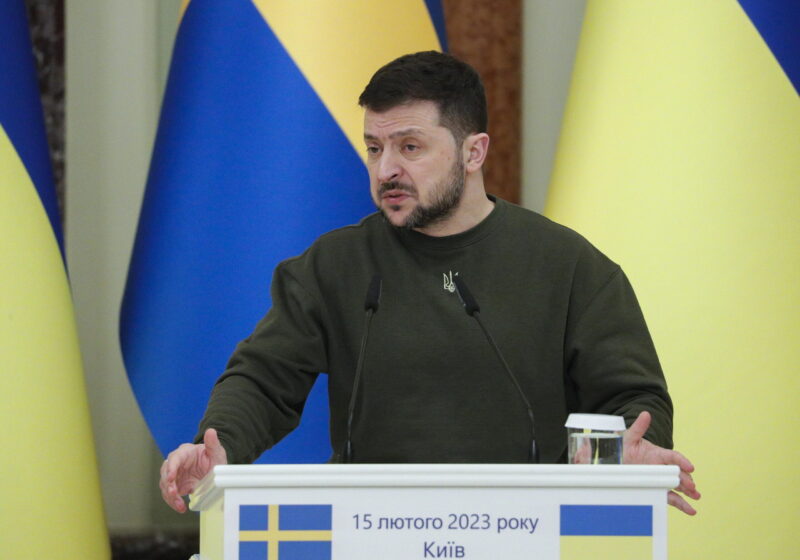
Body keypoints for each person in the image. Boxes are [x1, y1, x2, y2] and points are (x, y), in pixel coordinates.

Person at [160, 51, 700, 516]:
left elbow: (633, 397)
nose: (385, 170)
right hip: (368, 529)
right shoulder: (334, 265)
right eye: (375, 148)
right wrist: (220, 446)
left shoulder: (567, 265)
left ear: (474, 152)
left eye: (410, 147)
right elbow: (262, 378)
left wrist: (634, 450)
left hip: (526, 530)